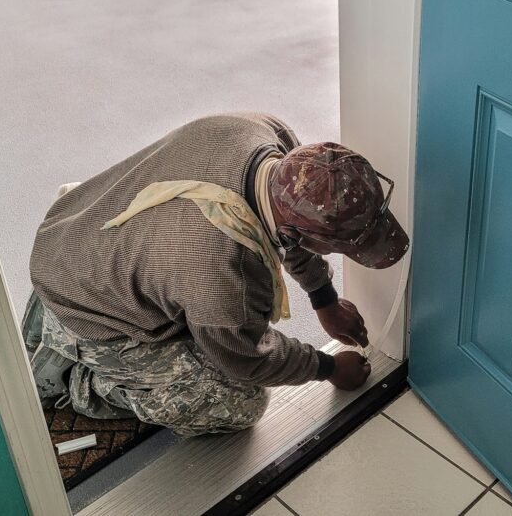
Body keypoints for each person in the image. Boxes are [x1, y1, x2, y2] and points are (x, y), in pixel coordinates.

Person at [22, 113, 409, 437]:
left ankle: (104, 314)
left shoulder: (264, 132)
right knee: (241, 402)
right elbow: (244, 358)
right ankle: (85, 381)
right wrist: (326, 368)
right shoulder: (227, 276)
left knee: (200, 312)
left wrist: (323, 298)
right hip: (90, 306)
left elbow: (291, 233)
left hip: (75, 232)